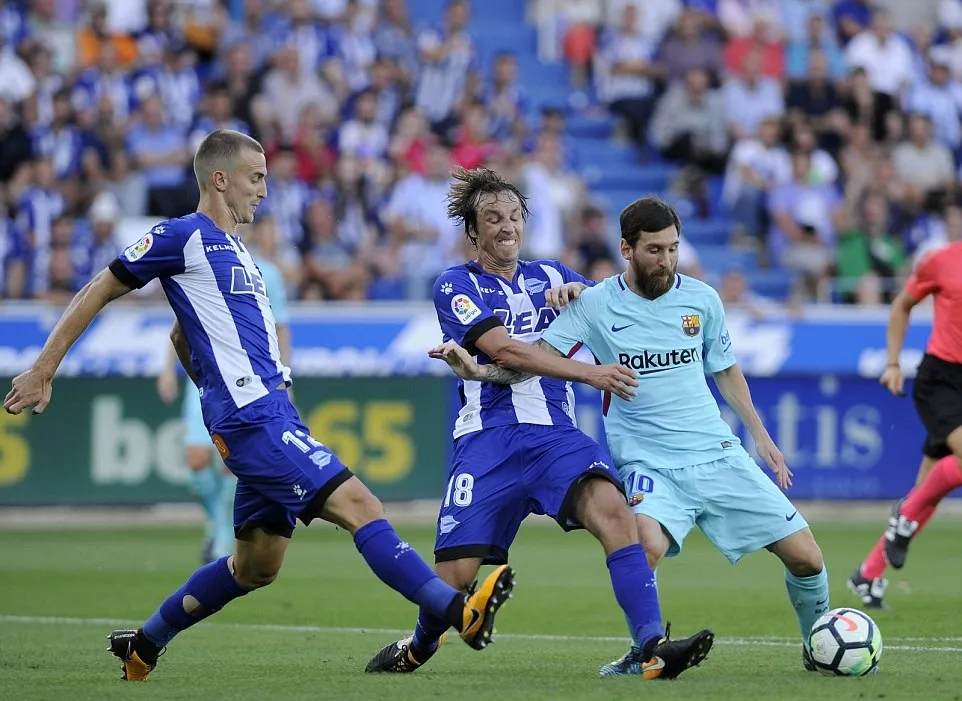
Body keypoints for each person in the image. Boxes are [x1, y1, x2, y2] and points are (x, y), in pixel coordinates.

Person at [2, 130, 515, 682]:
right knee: (362, 506)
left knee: (255, 567)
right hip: (254, 418)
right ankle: (460, 611)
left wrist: (212, 383)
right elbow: (99, 288)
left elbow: (183, 333)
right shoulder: (183, 235)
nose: (265, 192)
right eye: (257, 178)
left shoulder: (239, 253)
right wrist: (43, 368)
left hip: (263, 413)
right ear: (219, 180)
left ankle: (144, 644)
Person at [431, 195, 829, 674]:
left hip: (718, 453)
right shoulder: (594, 304)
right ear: (626, 248)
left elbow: (726, 371)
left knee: (807, 558)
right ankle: (646, 650)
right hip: (649, 461)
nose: (666, 260)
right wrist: (475, 374)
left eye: (673, 249)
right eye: (655, 250)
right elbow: (521, 366)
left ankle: (819, 646)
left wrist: (761, 436)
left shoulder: (702, 299)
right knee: (642, 544)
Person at [365, 168, 714, 680]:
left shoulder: (553, 275)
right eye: (493, 218)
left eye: (514, 216)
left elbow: (623, 307)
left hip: (556, 438)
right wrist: (590, 372)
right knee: (454, 578)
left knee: (617, 514)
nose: (506, 227)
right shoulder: (455, 284)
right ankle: (418, 646)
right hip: (488, 443)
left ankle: (650, 648)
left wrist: (585, 295)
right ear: (472, 231)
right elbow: (504, 350)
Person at [156, 214, 291, 565]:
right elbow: (182, 323)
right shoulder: (204, 258)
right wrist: (167, 370)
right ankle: (216, 523)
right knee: (197, 460)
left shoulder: (267, 273)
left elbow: (280, 328)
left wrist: (283, 377)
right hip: (205, 375)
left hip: (251, 381)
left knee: (232, 464)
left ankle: (222, 536)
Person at [847, 238, 962, 609]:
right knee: (924, 498)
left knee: (926, 492)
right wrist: (893, 363)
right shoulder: (941, 260)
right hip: (942, 381)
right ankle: (904, 514)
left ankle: (867, 573)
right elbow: (902, 305)